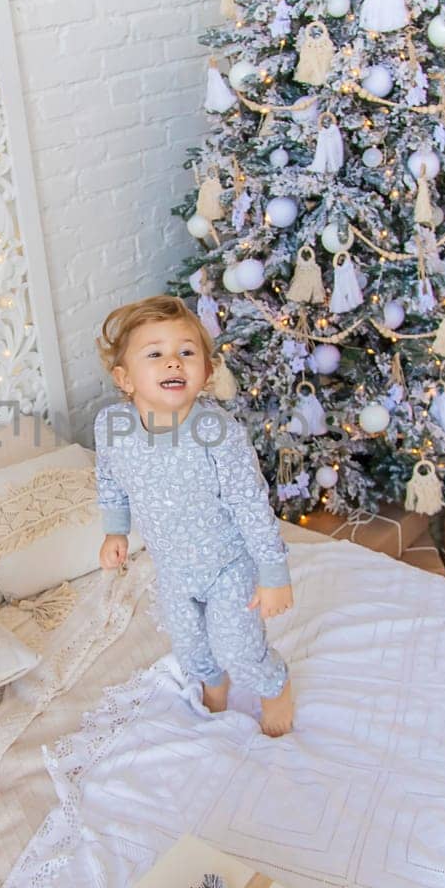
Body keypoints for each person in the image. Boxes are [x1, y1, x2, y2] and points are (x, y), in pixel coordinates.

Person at [94, 295, 296, 736]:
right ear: (124, 378)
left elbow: (250, 503)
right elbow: (110, 477)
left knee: (237, 644)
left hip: (229, 563)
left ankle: (274, 685)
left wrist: (273, 571)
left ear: (205, 372)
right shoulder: (112, 427)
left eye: (187, 352)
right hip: (172, 565)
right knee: (189, 646)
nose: (173, 363)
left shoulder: (217, 432)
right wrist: (116, 530)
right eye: (156, 354)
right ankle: (213, 683)